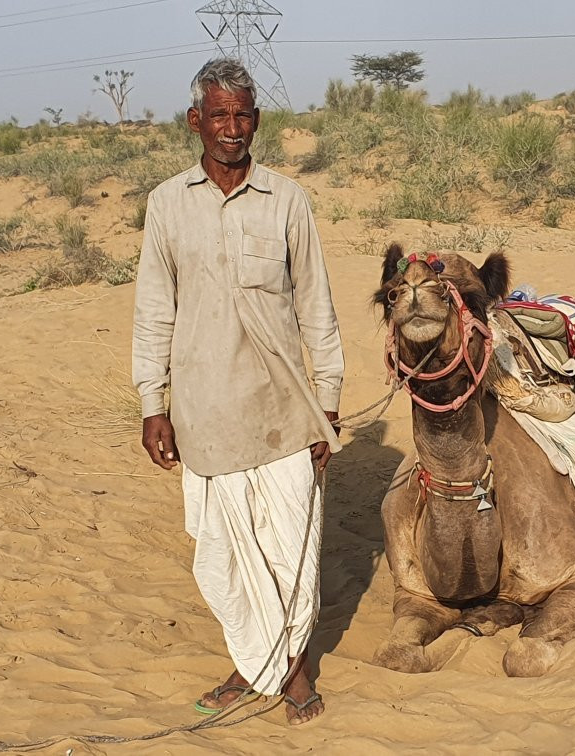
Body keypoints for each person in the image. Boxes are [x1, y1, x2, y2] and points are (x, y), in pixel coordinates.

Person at [132, 58, 344, 726]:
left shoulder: (287, 200)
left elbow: (317, 304)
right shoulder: (168, 203)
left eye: (243, 114)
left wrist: (328, 400)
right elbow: (153, 312)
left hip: (282, 412)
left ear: (258, 119)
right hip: (204, 415)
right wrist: (152, 405)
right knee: (226, 556)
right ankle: (252, 663)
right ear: (196, 121)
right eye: (219, 115)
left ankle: (294, 671)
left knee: (289, 550)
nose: (232, 128)